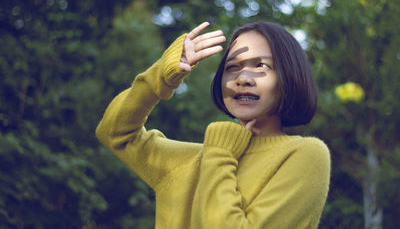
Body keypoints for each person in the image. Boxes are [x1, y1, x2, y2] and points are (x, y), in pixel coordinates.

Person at [96, 21, 331, 229]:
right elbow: (115, 132)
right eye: (232, 67)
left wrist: (220, 154)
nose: (243, 78)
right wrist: (162, 75)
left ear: (289, 77)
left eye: (261, 66)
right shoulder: (187, 163)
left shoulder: (304, 154)